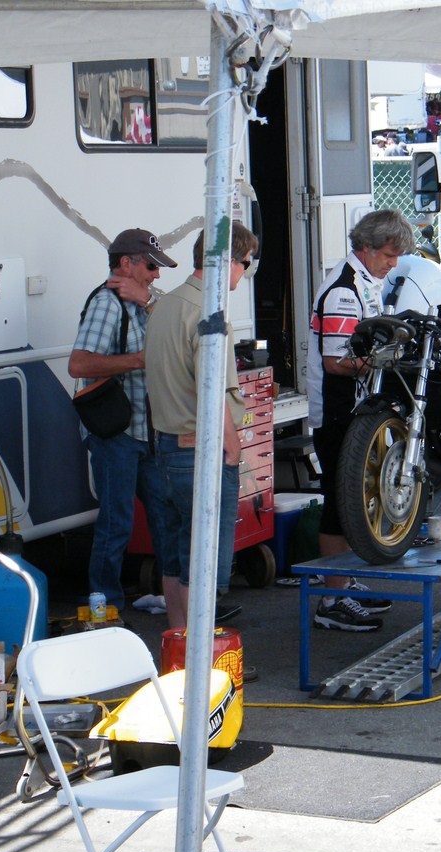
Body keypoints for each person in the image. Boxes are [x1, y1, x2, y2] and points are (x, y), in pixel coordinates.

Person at [307, 210, 416, 631]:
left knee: (354, 502)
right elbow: (336, 362)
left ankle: (343, 582)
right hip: (337, 410)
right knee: (340, 503)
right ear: (365, 248)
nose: (393, 263)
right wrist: (385, 361)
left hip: (353, 408)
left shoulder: (364, 281)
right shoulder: (342, 290)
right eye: (389, 254)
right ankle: (331, 599)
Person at [144, 224, 254, 631]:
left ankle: (179, 647)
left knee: (176, 559)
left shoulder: (165, 306)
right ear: (228, 261)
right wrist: (233, 449)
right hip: (201, 450)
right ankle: (199, 655)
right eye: (246, 264)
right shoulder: (210, 316)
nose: (245, 273)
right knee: (203, 563)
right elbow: (215, 392)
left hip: (167, 447)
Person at [68, 228, 177, 611]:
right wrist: (138, 360)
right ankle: (105, 609)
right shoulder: (106, 303)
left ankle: (174, 600)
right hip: (117, 432)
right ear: (126, 264)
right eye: (151, 266)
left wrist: (146, 300)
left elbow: (176, 328)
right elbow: (79, 364)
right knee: (117, 523)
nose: (156, 274)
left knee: (165, 516)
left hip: (147, 431)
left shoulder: (145, 300)